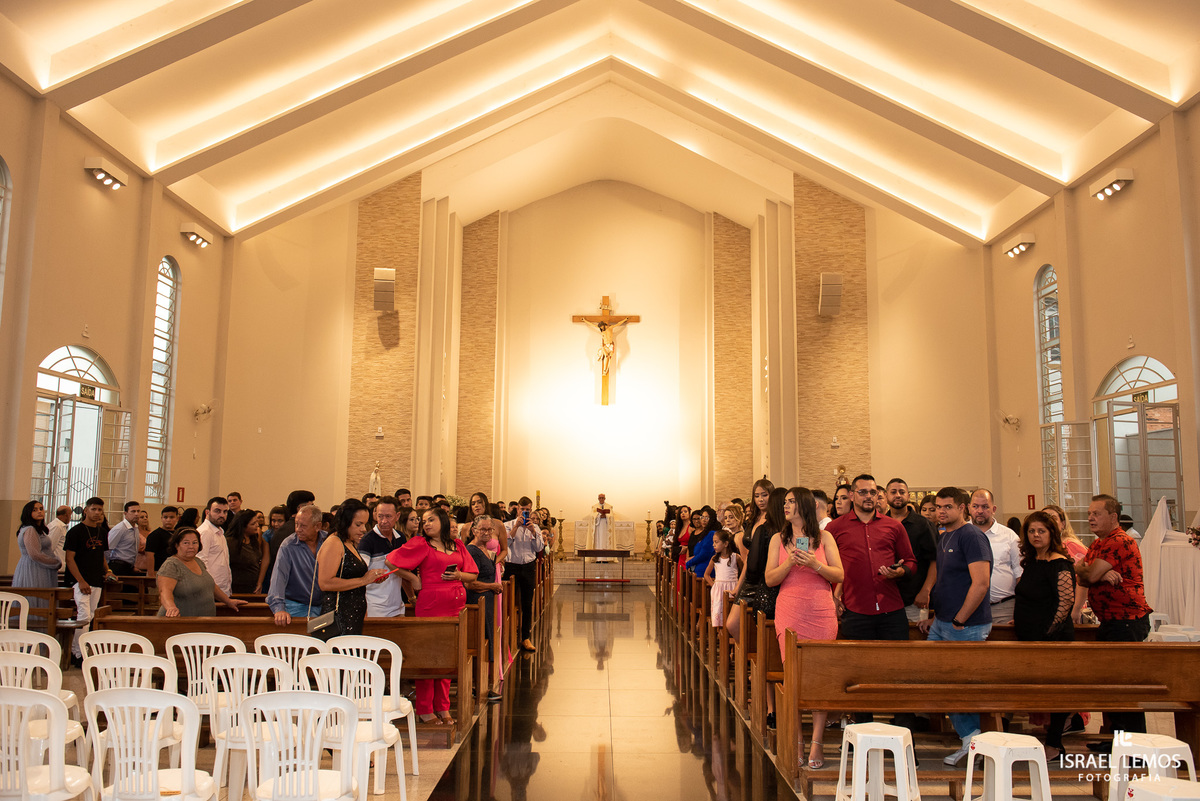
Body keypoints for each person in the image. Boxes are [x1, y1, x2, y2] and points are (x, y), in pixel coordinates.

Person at [766, 487, 843, 769]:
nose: (785, 506)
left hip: (821, 610)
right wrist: (789, 561)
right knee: (794, 675)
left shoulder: (825, 537)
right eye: (784, 502)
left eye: (791, 501)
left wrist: (814, 564)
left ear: (805, 506)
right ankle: (797, 739)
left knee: (820, 676)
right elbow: (770, 579)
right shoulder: (778, 538)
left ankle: (818, 741)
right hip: (790, 609)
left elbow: (839, 573)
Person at [918, 486, 993, 765]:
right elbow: (947, 581)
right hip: (943, 622)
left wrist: (960, 619)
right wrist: (937, 617)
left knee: (960, 687)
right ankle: (970, 739)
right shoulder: (945, 535)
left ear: (963, 508)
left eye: (947, 506)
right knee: (938, 682)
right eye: (938, 506)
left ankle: (974, 744)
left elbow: (981, 583)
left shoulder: (971, 536)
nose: (941, 511)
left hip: (966, 626)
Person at [1075, 494, 1153, 749]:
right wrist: (1090, 570)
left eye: (1096, 513)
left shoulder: (1119, 541)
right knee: (1112, 685)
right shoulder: (1099, 543)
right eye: (1089, 513)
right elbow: (1085, 575)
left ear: (1113, 517)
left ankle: (1135, 748)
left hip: (1127, 620)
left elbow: (1088, 574)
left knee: (1126, 687)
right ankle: (1116, 740)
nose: (1090, 518)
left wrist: (1093, 571)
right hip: (1111, 620)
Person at [387, 507, 477, 724]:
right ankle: (425, 709)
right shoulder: (421, 544)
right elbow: (391, 561)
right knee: (428, 658)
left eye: (431, 520)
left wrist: (458, 575)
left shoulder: (457, 544)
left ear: (444, 521)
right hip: (431, 605)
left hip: (455, 605)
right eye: (423, 520)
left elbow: (472, 574)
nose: (425, 524)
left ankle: (443, 707)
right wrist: (413, 578)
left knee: (447, 658)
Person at [1014, 510, 1075, 761]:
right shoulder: (1033, 560)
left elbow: (1065, 603)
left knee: (1057, 692)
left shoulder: (1058, 562)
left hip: (1052, 638)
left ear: (1052, 533)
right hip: (1030, 635)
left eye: (1041, 531)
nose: (1036, 535)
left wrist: (1046, 633)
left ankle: (1055, 743)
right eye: (1031, 531)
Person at [827, 474, 915, 642]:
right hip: (854, 610)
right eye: (863, 492)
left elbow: (911, 561)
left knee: (897, 664)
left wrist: (901, 572)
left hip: (891, 608)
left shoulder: (894, 526)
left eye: (873, 492)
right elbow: (825, 567)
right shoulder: (834, 528)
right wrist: (833, 595)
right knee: (859, 666)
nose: (868, 496)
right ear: (852, 495)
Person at [316, 499, 386, 637]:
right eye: (358, 524)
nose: (364, 529)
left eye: (365, 524)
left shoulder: (349, 542)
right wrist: (363, 581)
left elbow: (350, 576)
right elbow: (325, 583)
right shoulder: (334, 542)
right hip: (339, 616)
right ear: (345, 522)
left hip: (352, 614)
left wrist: (371, 579)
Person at [64, 497, 114, 665]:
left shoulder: (102, 532)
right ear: (86, 510)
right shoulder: (75, 531)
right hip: (79, 580)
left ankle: (79, 651)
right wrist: (81, 581)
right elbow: (69, 559)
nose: (97, 513)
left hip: (96, 579)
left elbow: (101, 556)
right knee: (83, 616)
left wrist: (107, 572)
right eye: (93, 509)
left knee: (91, 615)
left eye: (100, 510)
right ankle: (78, 654)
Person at [883, 478, 939, 622]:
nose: (898, 495)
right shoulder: (880, 523)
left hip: (914, 599)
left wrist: (925, 591)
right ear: (886, 495)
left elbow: (935, 561)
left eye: (902, 492)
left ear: (908, 496)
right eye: (893, 492)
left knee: (913, 642)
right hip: (886, 598)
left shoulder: (923, 524)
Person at [156, 528, 246, 617]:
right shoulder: (171, 565)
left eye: (195, 542)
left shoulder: (198, 561)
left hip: (203, 621)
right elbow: (165, 591)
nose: (191, 546)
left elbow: (211, 587)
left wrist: (228, 601)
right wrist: (171, 608)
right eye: (186, 543)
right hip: (180, 622)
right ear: (176, 545)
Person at [266, 503, 328, 625]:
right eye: (296, 524)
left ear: (318, 526)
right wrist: (279, 609)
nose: (298, 529)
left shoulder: (328, 541)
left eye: (303, 526)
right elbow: (278, 577)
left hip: (325, 607)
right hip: (296, 606)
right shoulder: (289, 545)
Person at [465, 515, 504, 701]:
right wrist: (492, 586)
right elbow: (470, 583)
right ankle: (477, 686)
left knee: (487, 640)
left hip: (487, 602)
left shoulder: (484, 549)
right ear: (474, 530)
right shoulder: (472, 551)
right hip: (477, 601)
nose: (487, 533)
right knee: (479, 642)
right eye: (483, 529)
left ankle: (483, 685)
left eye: (490, 529)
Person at [969, 489, 1022, 625]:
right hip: (968, 608)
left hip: (1003, 608)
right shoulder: (961, 534)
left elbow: (1020, 575)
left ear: (993, 509)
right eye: (975, 506)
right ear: (969, 508)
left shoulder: (1010, 536)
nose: (980, 511)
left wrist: (1022, 610)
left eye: (985, 506)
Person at [503, 497, 545, 653]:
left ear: (531, 509)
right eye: (522, 509)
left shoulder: (535, 528)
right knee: (509, 603)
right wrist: (516, 527)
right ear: (517, 509)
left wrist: (533, 531)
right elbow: (505, 545)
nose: (524, 512)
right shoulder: (507, 526)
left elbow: (538, 547)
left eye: (527, 509)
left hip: (528, 567)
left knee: (527, 603)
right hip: (511, 566)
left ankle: (525, 637)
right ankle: (508, 636)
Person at [359, 495, 408, 618]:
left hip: (397, 605)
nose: (383, 521)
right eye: (380, 516)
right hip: (374, 606)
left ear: (397, 516)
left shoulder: (400, 538)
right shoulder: (367, 540)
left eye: (388, 516)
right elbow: (360, 572)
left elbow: (403, 570)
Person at [13, 500, 61, 622]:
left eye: (41, 508)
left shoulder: (38, 529)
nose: (39, 511)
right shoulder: (29, 529)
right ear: (28, 513)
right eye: (35, 510)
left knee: (43, 601)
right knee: (35, 602)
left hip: (41, 568)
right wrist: (55, 562)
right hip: (33, 569)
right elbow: (34, 554)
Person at [703, 528, 740, 629]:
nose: (713, 545)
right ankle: (721, 635)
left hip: (732, 587)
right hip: (719, 590)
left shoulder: (735, 557)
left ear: (725, 543)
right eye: (713, 542)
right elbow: (706, 574)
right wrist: (714, 585)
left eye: (716, 542)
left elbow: (743, 572)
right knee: (719, 615)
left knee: (731, 616)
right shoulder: (714, 559)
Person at [226, 509, 269, 593]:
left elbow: (265, 558)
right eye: (253, 524)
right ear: (243, 526)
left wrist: (259, 582)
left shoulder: (254, 539)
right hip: (237, 588)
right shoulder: (230, 542)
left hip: (253, 586)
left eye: (257, 522)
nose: (257, 525)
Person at [196, 496, 233, 595]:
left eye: (225, 512)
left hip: (222, 589)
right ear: (207, 512)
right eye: (217, 511)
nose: (222, 515)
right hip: (210, 589)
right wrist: (211, 587)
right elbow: (201, 563)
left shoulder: (219, 532)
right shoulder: (205, 532)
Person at [106, 501, 140, 575]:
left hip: (129, 566)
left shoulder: (135, 528)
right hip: (118, 565)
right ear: (125, 513)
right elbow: (107, 549)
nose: (136, 514)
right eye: (133, 511)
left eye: (138, 511)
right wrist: (107, 569)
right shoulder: (120, 528)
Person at [685, 506, 721, 577]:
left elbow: (704, 554)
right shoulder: (705, 533)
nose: (704, 520)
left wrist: (689, 563)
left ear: (712, 519)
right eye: (702, 517)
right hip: (699, 569)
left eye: (707, 518)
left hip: (705, 570)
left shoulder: (712, 533)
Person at [144, 506, 179, 576]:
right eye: (165, 517)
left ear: (177, 518)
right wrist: (151, 575)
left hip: (175, 571)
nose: (168, 520)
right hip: (159, 571)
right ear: (161, 518)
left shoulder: (178, 534)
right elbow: (149, 555)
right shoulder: (154, 535)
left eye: (172, 517)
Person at [47, 506, 71, 581]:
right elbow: (50, 547)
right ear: (66, 515)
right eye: (70, 514)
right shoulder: (57, 526)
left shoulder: (61, 526)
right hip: (58, 566)